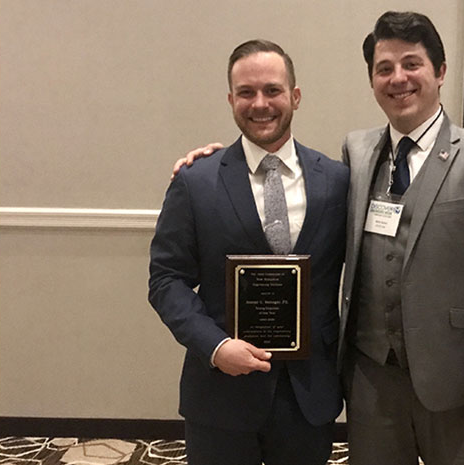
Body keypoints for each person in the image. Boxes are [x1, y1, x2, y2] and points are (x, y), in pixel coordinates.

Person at [174, 11, 464, 464]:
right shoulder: (357, 155)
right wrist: (212, 164)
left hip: (454, 381)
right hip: (369, 383)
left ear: (440, 72)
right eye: (384, 68)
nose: (397, 78)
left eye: (411, 64)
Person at [148, 39, 348, 465]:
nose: (260, 103)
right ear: (230, 99)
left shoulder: (338, 180)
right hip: (220, 393)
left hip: (308, 395)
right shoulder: (196, 182)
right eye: (246, 92)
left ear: (295, 96)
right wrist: (216, 346)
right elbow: (167, 280)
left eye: (273, 90)